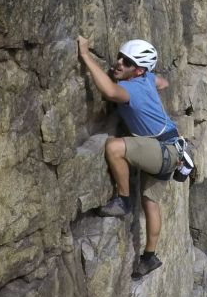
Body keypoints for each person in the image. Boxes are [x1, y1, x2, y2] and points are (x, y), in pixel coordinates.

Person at [77, 35, 179, 277]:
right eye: (120, 57)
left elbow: (111, 91)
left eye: (127, 62)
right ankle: (149, 258)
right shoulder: (147, 78)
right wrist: (152, 83)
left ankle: (122, 200)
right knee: (150, 202)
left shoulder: (131, 89)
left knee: (114, 148)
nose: (118, 63)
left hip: (161, 150)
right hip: (172, 149)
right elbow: (163, 82)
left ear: (138, 70)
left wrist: (85, 56)